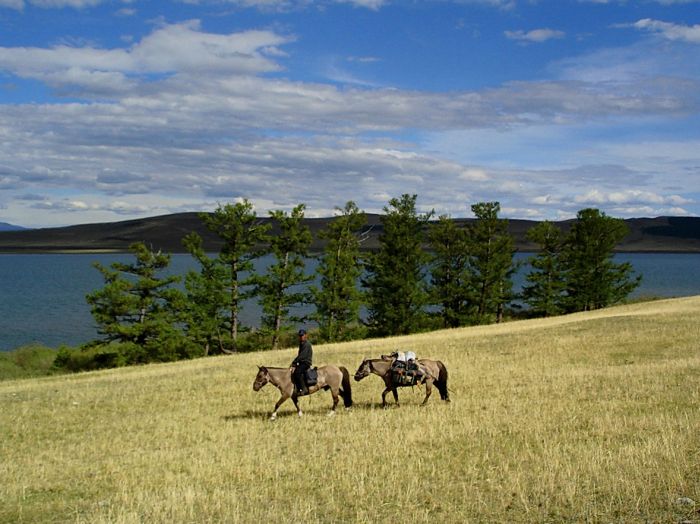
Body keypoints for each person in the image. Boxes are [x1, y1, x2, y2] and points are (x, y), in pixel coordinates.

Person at [291, 328, 313, 395]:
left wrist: (294, 363)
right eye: (300, 336)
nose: (301, 337)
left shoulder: (306, 344)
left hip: (306, 362)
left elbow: (302, 356)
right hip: (302, 362)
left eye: (302, 335)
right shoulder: (302, 343)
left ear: (306, 335)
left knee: (297, 372)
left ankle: (303, 389)